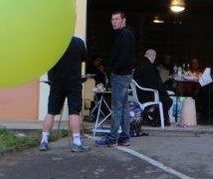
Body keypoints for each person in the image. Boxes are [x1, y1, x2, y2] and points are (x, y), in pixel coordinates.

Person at [40, 35, 87, 152]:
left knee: (51, 112)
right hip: (73, 82)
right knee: (74, 112)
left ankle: (44, 141)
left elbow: (47, 62)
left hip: (56, 82)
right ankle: (76, 142)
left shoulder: (53, 43)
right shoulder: (78, 42)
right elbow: (84, 58)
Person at [96, 10, 136, 147]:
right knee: (124, 107)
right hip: (124, 75)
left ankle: (113, 138)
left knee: (117, 108)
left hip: (120, 75)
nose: (114, 21)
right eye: (112, 19)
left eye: (117, 19)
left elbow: (123, 57)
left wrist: (112, 70)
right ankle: (124, 137)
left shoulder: (124, 35)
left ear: (123, 20)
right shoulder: (125, 34)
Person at [134, 48, 172, 126]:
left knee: (165, 98)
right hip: (147, 95)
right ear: (153, 57)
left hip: (139, 93)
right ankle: (157, 119)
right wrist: (164, 91)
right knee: (168, 100)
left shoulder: (139, 65)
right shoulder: (149, 67)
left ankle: (153, 117)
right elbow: (155, 84)